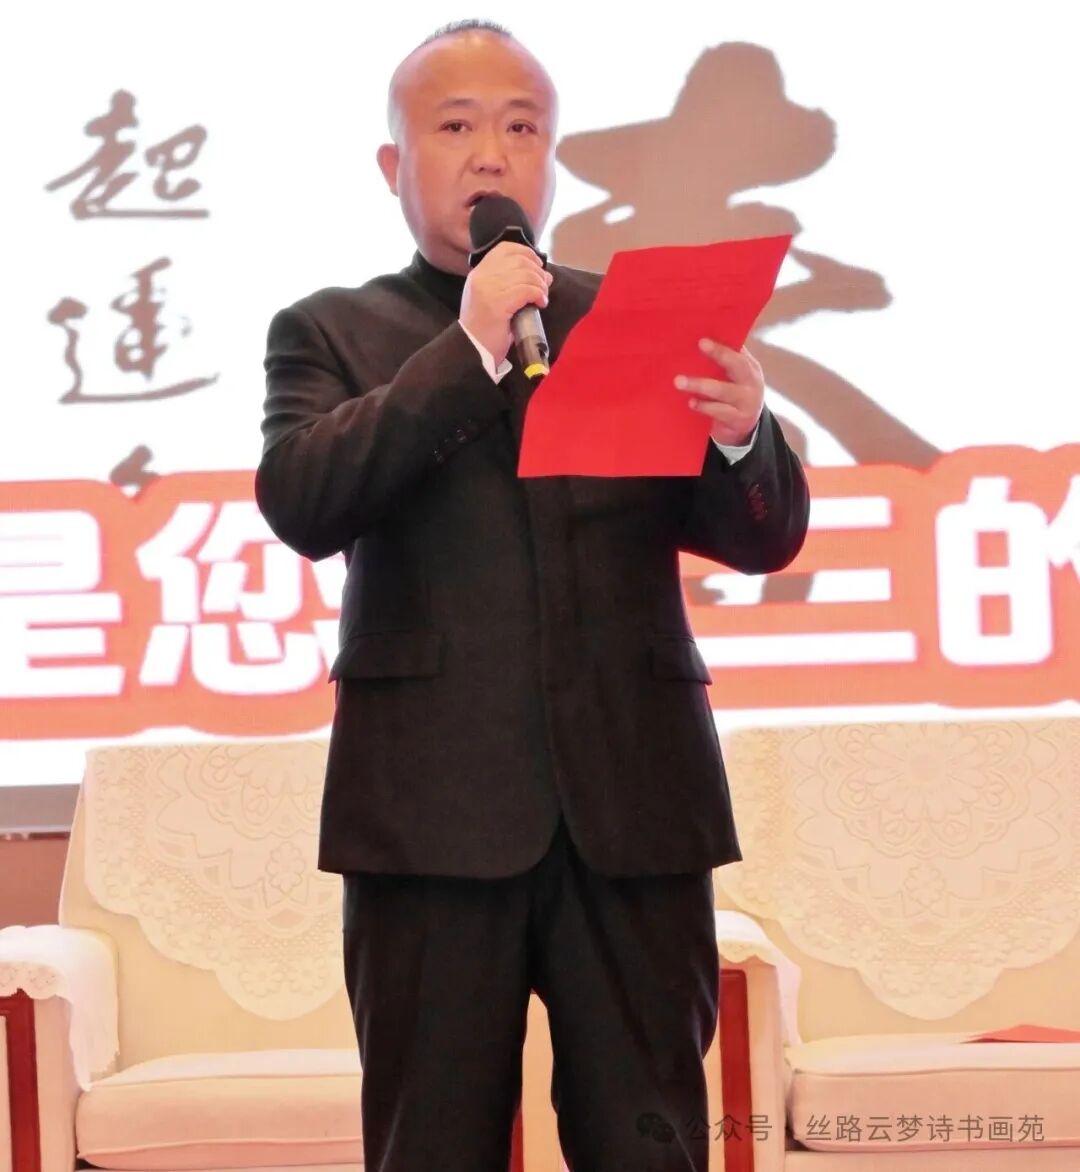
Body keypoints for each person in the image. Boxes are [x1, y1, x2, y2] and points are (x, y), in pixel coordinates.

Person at [256, 19, 809, 1172]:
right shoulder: (332, 331)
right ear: (393, 163)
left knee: (652, 1141)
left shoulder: (635, 322)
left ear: (550, 156)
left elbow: (762, 536)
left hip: (636, 807)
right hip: (428, 818)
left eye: (521, 127)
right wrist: (467, 350)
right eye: (455, 126)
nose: (492, 154)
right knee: (430, 1143)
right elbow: (304, 500)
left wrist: (744, 433)